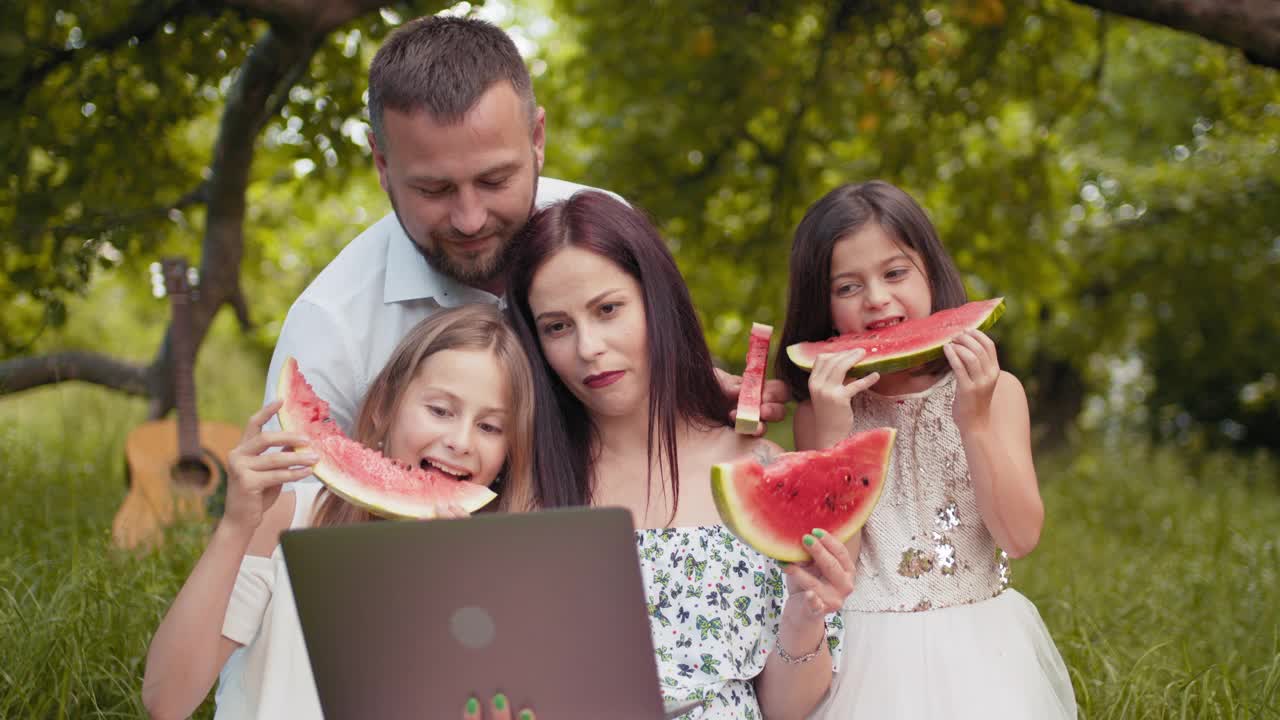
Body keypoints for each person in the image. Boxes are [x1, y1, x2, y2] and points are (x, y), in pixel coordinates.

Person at [261, 15, 785, 443]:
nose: (469, 219)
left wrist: (696, 390)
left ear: (537, 138)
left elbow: (671, 387)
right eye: (434, 191)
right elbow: (290, 529)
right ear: (381, 163)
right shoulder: (329, 325)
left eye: (495, 179)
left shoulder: (603, 227)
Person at [505, 190, 853, 720]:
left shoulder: (759, 467)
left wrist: (806, 612)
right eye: (557, 326)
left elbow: (785, 709)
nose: (588, 347)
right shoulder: (524, 485)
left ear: (656, 301)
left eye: (608, 309)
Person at [141, 304, 538, 720]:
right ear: (384, 405)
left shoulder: (498, 576)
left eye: (490, 427)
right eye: (439, 411)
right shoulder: (288, 521)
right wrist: (235, 528)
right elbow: (167, 701)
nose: (460, 441)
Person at [776, 181, 1077, 718]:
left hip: (983, 644)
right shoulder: (819, 412)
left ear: (931, 275)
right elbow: (832, 560)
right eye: (847, 287)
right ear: (820, 306)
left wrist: (974, 421)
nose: (876, 298)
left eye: (895, 273)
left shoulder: (997, 391)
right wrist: (830, 436)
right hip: (867, 652)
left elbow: (1020, 536)